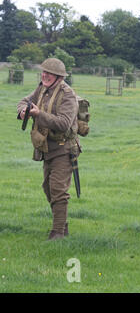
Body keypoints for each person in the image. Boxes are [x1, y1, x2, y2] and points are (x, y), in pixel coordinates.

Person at [17, 58, 81, 240]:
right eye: (43, 72)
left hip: (64, 148)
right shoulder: (42, 89)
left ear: (59, 77)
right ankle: (63, 225)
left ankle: (58, 233)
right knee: (48, 188)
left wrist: (39, 114)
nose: (44, 75)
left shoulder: (68, 95)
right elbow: (23, 101)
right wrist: (24, 110)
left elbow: (63, 123)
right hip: (46, 147)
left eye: (49, 73)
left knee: (58, 189)